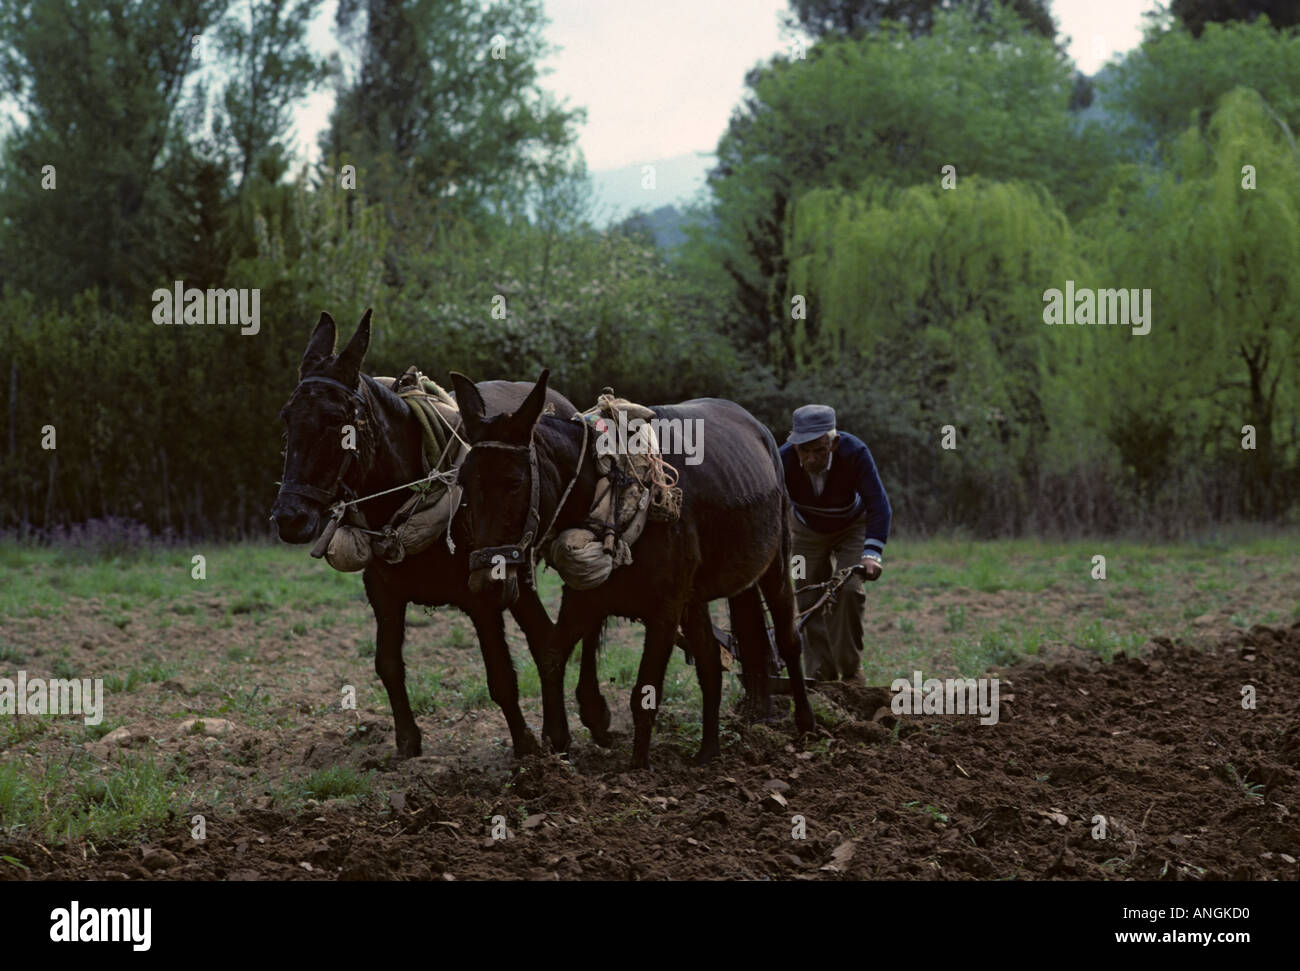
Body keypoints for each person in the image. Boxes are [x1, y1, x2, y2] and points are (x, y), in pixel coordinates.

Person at [779, 404, 891, 682]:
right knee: (805, 595)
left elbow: (879, 505)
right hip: (806, 532)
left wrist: (872, 554)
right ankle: (820, 675)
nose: (810, 458)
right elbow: (770, 506)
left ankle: (851, 673)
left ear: (834, 442)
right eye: (803, 450)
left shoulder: (855, 453)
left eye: (818, 450)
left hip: (851, 527)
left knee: (849, 589)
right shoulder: (781, 460)